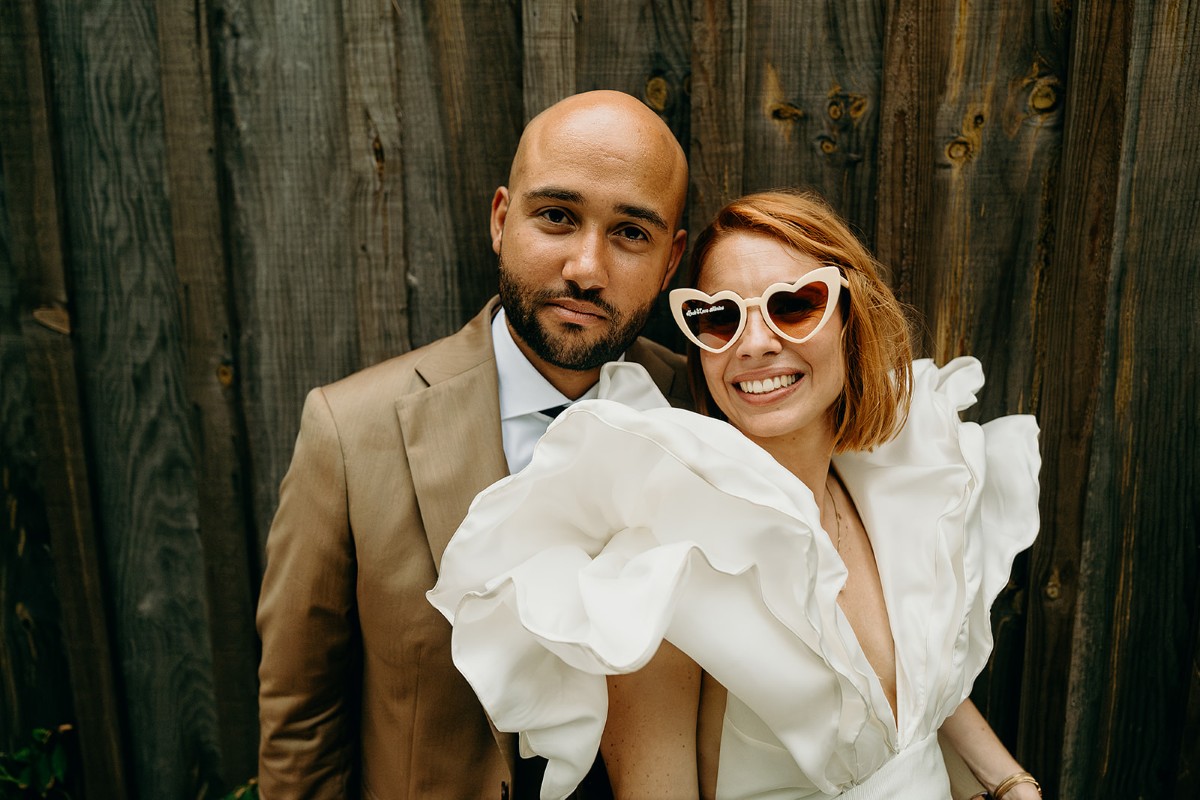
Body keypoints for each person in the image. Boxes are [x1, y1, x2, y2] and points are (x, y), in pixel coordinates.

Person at [429, 191, 1042, 799]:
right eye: (719, 318)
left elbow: (916, 676)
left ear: (852, 315)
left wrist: (1009, 781)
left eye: (794, 306)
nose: (753, 344)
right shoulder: (667, 573)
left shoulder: (886, 486)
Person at [255, 90, 691, 800]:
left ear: (671, 260)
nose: (586, 268)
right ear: (500, 219)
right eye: (556, 216)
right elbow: (301, 722)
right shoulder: (349, 431)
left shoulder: (703, 416)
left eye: (630, 233)